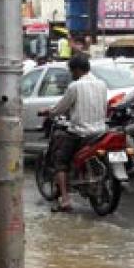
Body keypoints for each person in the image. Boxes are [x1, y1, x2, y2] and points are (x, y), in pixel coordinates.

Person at [38, 54, 108, 212]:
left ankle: (65, 200)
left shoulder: (75, 86)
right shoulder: (102, 84)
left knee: (60, 161)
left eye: (72, 71)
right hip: (100, 131)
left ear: (77, 70)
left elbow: (59, 108)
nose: (71, 74)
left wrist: (48, 112)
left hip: (80, 132)